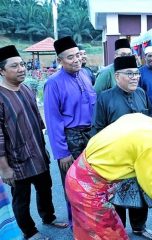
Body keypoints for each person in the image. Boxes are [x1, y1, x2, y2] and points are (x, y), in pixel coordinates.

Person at [65, 100, 152, 239]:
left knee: (88, 233)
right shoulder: (151, 144)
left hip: (76, 174)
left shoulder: (140, 118)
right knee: (111, 235)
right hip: (88, 190)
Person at [0, 45, 68, 240]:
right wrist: (4, 168)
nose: (21, 68)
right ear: (1, 70)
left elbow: (38, 123)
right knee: (21, 198)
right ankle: (29, 231)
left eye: (22, 64)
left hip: (38, 152)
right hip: (17, 160)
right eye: (15, 66)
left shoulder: (27, 89)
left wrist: (45, 149)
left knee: (45, 188)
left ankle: (48, 217)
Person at [92, 55, 152, 239]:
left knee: (141, 194)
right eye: (129, 74)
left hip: (140, 156)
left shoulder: (141, 93)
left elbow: (151, 119)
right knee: (116, 198)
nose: (135, 77)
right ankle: (117, 231)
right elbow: (98, 128)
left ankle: (139, 227)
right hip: (116, 159)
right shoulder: (105, 98)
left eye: (136, 73)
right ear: (117, 76)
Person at [43, 36, 96, 226]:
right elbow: (53, 120)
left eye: (77, 55)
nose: (76, 60)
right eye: (70, 57)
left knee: (93, 179)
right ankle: (78, 224)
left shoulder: (85, 74)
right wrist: (62, 152)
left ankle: (92, 219)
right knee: (73, 182)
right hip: (70, 136)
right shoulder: (53, 83)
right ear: (60, 60)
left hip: (90, 135)